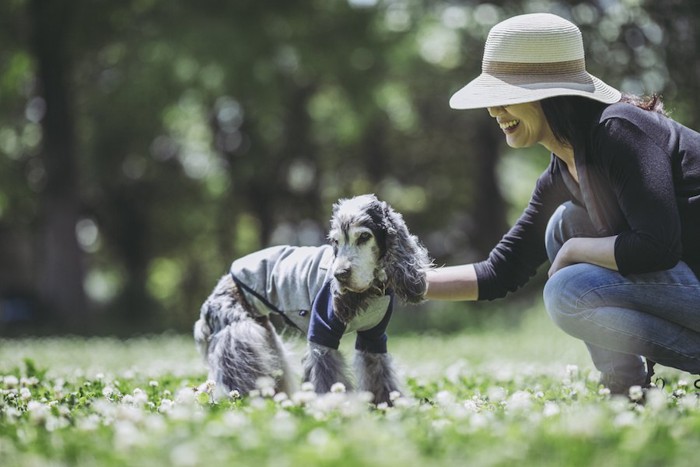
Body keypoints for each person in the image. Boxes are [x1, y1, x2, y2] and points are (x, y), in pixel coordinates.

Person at [424, 12, 700, 394]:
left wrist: (575, 250)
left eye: (505, 97)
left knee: (567, 290)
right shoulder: (563, 169)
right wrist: (395, 282)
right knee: (564, 223)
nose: (493, 111)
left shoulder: (619, 131)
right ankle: (627, 388)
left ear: (549, 94)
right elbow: (500, 271)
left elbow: (658, 246)